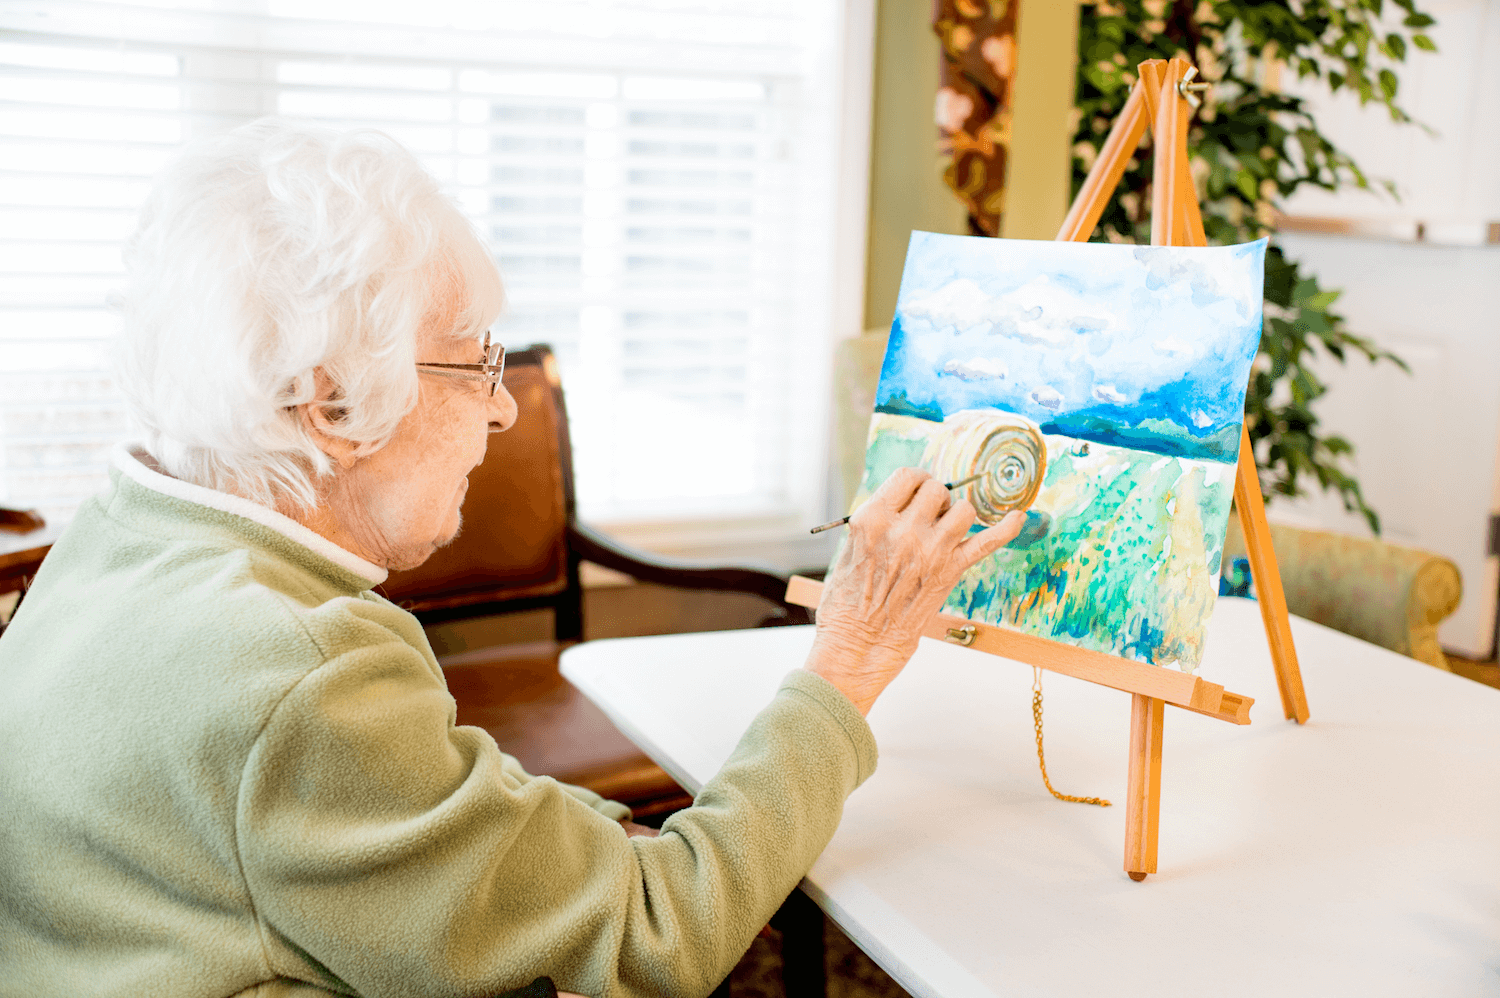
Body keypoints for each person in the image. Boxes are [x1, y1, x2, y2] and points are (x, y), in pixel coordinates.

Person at [0, 120, 1024, 998]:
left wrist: (560, 843)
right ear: (329, 406)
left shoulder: (112, 537)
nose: (500, 403)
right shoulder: (302, 672)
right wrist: (849, 651)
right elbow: (667, 932)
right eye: (475, 358)